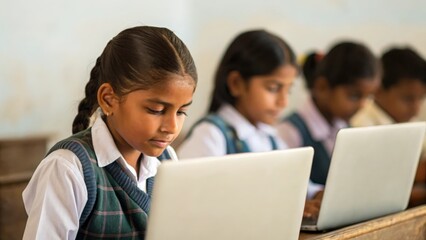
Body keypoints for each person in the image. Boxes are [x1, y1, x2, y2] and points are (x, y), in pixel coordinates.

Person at [22, 26, 197, 239]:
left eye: (181, 112)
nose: (171, 127)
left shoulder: (168, 160)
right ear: (108, 99)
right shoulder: (67, 168)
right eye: (156, 110)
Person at [276, 41, 382, 198]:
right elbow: (287, 189)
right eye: (354, 96)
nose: (362, 105)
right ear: (322, 87)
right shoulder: (290, 131)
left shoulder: (346, 126)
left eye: (369, 97)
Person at [178, 29, 297, 159]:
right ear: (236, 83)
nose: (283, 102)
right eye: (273, 88)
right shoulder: (210, 135)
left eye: (288, 90)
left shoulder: (271, 138)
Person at [351, 46, 426, 207]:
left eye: (421, 98)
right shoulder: (360, 126)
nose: (416, 108)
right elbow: (372, 189)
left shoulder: (411, 123)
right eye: (407, 99)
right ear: (378, 90)